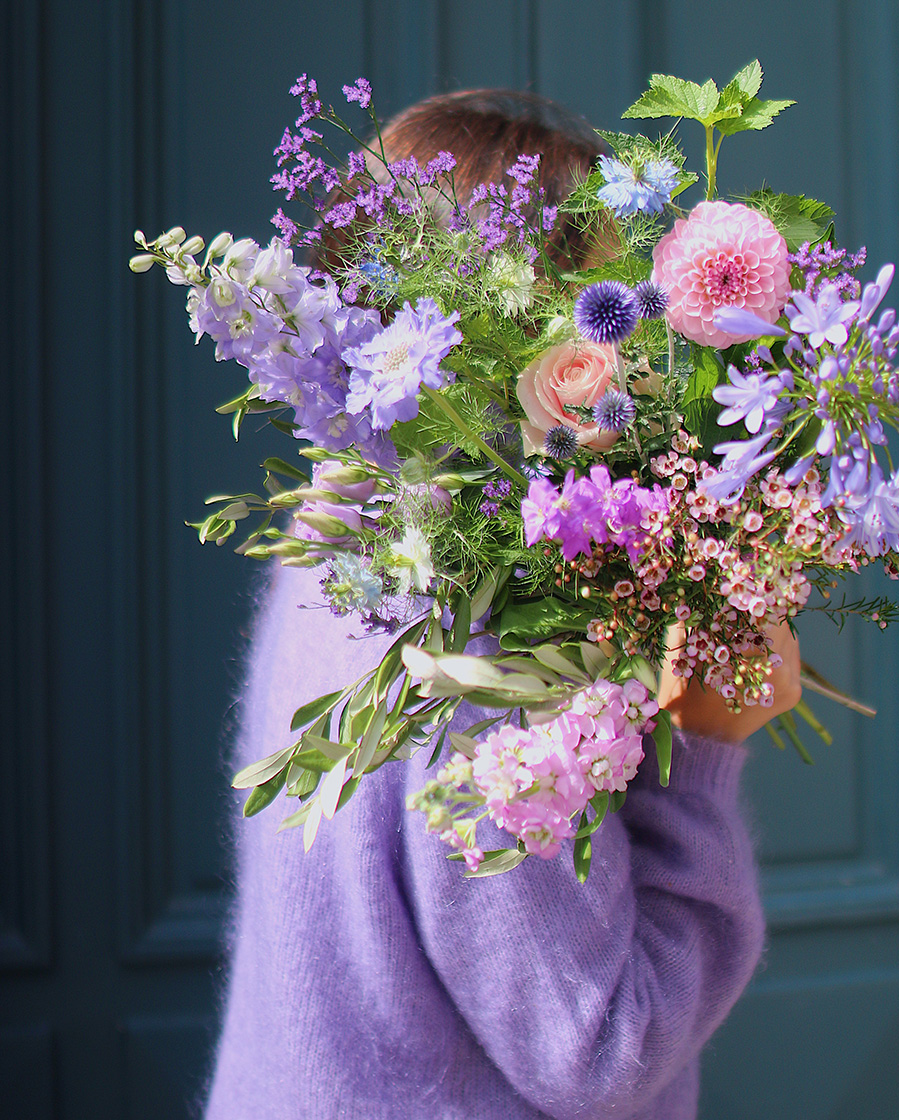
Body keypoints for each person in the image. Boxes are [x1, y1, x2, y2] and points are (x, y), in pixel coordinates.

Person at [202, 89, 801, 1120]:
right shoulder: (470, 636)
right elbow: (602, 1047)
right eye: (609, 299)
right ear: (511, 328)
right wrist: (705, 748)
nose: (634, 354)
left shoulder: (337, 537)